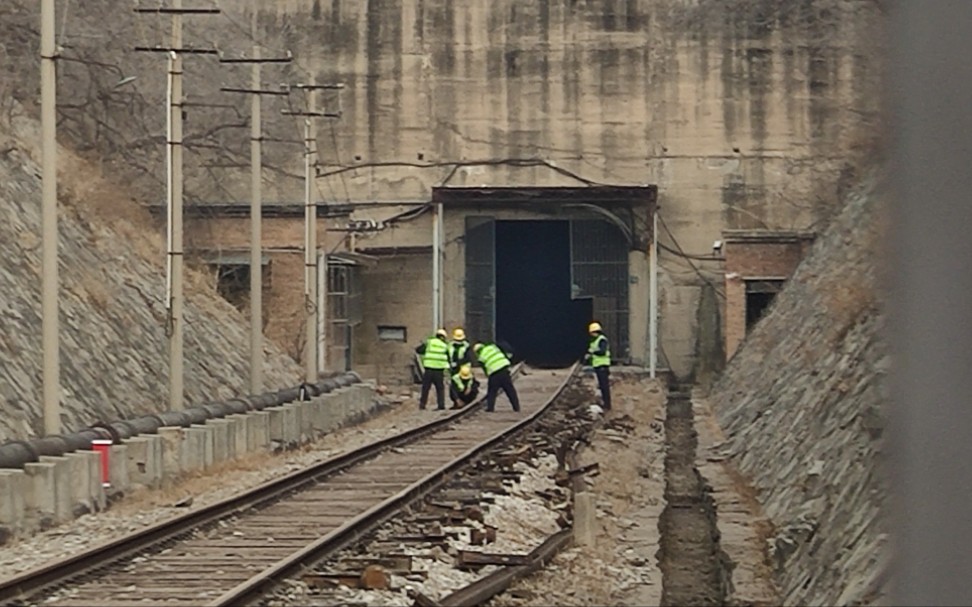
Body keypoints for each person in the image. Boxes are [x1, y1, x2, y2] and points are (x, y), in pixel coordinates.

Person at [472, 341, 521, 412]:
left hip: (494, 373)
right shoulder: (493, 347)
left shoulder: (481, 357)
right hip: (504, 369)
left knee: (492, 391)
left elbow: (485, 369)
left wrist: (488, 375)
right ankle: (516, 407)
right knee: (510, 390)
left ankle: (490, 408)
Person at [415, 328, 450, 410]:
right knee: (440, 388)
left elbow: (418, 350)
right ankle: (441, 405)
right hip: (439, 370)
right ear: (444, 337)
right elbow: (449, 357)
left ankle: (422, 405)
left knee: (425, 388)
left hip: (429, 369)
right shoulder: (445, 346)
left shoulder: (429, 342)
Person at [584, 321, 612, 410]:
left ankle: (607, 405)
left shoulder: (602, 340)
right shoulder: (595, 340)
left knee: (604, 386)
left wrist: (593, 352)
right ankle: (605, 403)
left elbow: (602, 351)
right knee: (602, 385)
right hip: (598, 366)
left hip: (602, 365)